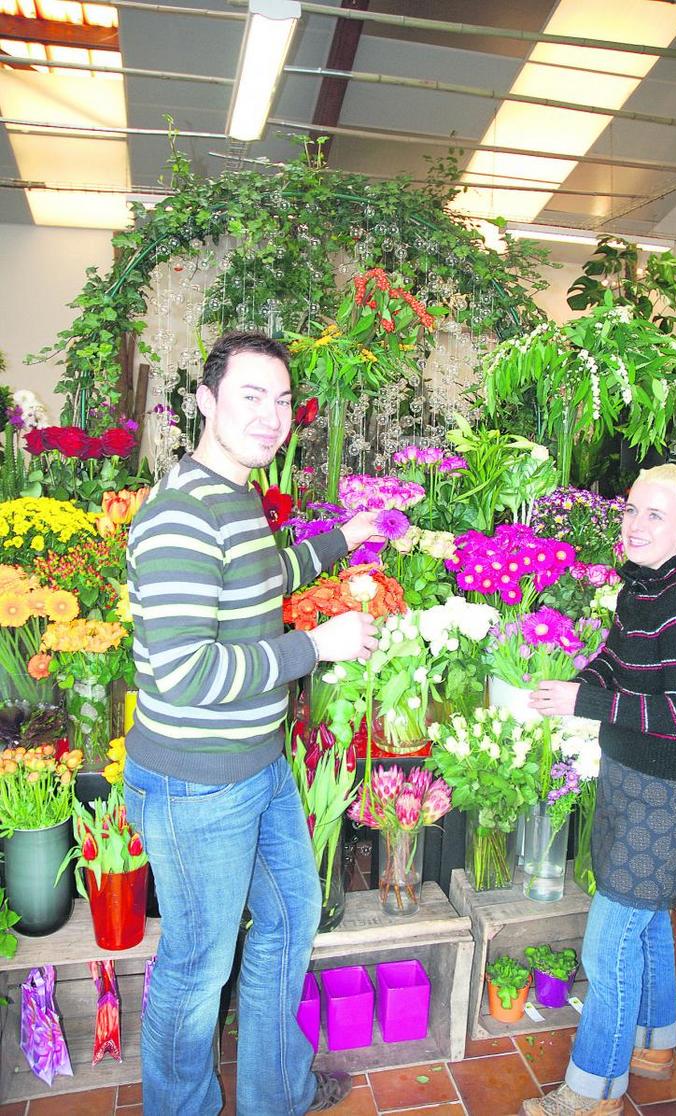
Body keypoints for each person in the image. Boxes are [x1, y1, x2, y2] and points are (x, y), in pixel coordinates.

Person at [124, 331, 384, 1116]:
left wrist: (349, 537)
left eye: (281, 400)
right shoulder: (178, 517)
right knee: (197, 967)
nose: (271, 417)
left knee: (288, 918)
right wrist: (314, 646)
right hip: (196, 783)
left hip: (256, 766)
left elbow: (265, 575)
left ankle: (278, 1093)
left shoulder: (232, 497)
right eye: (250, 396)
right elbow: (183, 671)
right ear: (203, 401)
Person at [522, 464, 676, 1116]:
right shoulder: (640, 588)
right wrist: (578, 680)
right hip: (627, 781)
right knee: (649, 922)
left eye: (654, 515)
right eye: (631, 510)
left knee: (607, 944)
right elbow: (614, 659)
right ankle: (652, 1045)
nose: (634, 525)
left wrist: (584, 701)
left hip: (661, 799)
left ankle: (593, 1092)